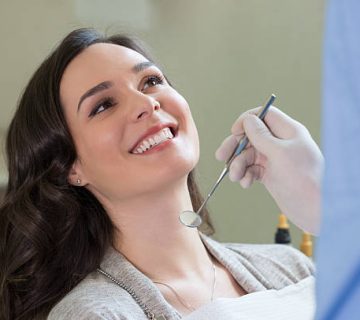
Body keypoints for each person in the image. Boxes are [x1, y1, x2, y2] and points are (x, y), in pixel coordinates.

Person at [0, 28, 321, 320]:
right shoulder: (95, 314)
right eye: (103, 105)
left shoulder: (292, 267)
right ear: (71, 168)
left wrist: (326, 208)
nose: (146, 103)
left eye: (151, 82)